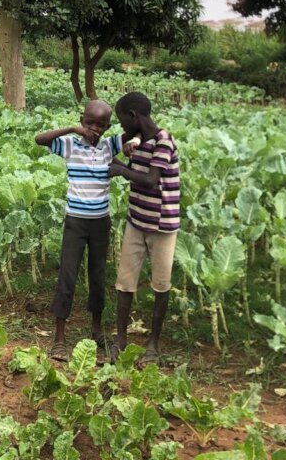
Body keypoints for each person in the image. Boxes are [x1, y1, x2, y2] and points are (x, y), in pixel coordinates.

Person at [36, 99, 137, 361]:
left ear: (107, 127)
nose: (95, 128)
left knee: (98, 275)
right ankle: (59, 337)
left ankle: (95, 329)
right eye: (89, 122)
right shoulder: (69, 145)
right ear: (82, 120)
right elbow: (40, 139)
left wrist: (132, 143)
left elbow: (136, 132)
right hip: (76, 221)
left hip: (100, 221)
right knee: (67, 275)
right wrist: (72, 129)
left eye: (101, 125)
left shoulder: (108, 145)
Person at [107, 91, 180, 366]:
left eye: (122, 119)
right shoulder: (142, 142)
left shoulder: (163, 141)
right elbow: (138, 175)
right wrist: (123, 164)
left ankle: (153, 345)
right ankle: (121, 340)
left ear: (133, 116)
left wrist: (121, 171)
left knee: (161, 285)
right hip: (136, 221)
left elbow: (150, 180)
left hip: (161, 225)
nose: (122, 126)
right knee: (125, 282)